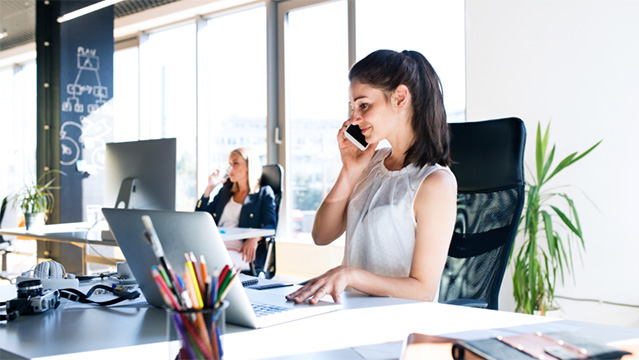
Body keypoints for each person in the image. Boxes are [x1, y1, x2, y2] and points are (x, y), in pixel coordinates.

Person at [286, 49, 457, 304]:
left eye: (364, 105)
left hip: (396, 326)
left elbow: (423, 290)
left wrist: (350, 275)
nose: (354, 117)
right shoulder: (371, 162)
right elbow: (321, 235)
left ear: (400, 98)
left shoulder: (435, 183)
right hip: (350, 312)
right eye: (353, 107)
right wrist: (350, 171)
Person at [195, 147, 277, 270]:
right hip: (215, 244)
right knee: (188, 259)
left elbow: (270, 225)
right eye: (229, 164)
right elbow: (200, 218)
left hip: (242, 251)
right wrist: (209, 188)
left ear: (249, 166)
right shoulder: (225, 191)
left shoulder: (264, 193)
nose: (230, 168)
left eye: (235, 163)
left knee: (212, 264)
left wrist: (255, 237)